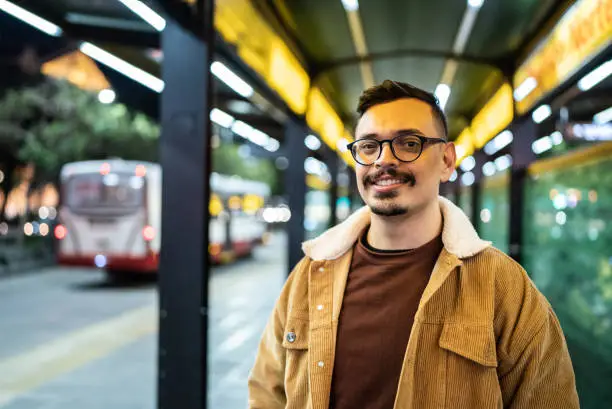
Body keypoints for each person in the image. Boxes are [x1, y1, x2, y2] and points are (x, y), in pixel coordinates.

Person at [248, 80, 579, 409]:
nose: (383, 160)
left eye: (408, 143)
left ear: (447, 160)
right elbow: (266, 393)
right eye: (368, 146)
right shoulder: (309, 276)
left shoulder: (504, 287)